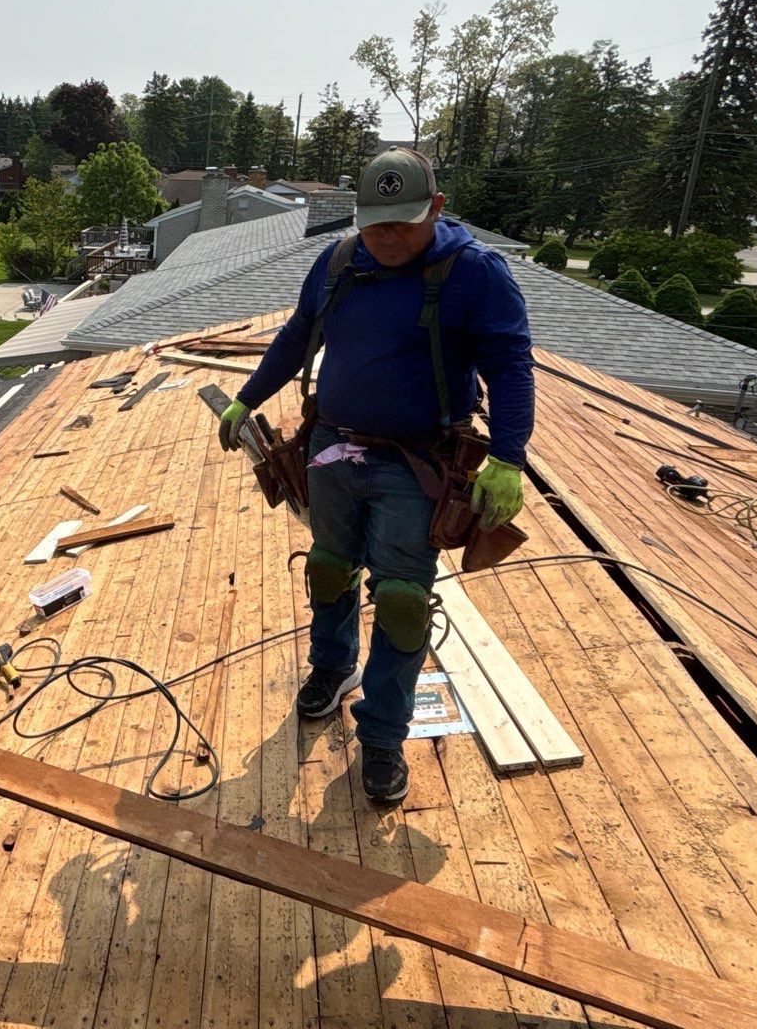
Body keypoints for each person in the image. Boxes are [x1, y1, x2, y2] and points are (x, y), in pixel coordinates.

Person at [219, 148, 533, 805]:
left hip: (415, 465)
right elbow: (299, 335)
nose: (388, 237)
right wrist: (249, 396)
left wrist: (509, 454)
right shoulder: (338, 263)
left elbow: (510, 365)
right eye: (376, 223)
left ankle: (384, 738)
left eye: (404, 223)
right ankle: (332, 668)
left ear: (437, 208)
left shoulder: (473, 273)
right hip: (333, 449)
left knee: (401, 601)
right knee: (330, 566)